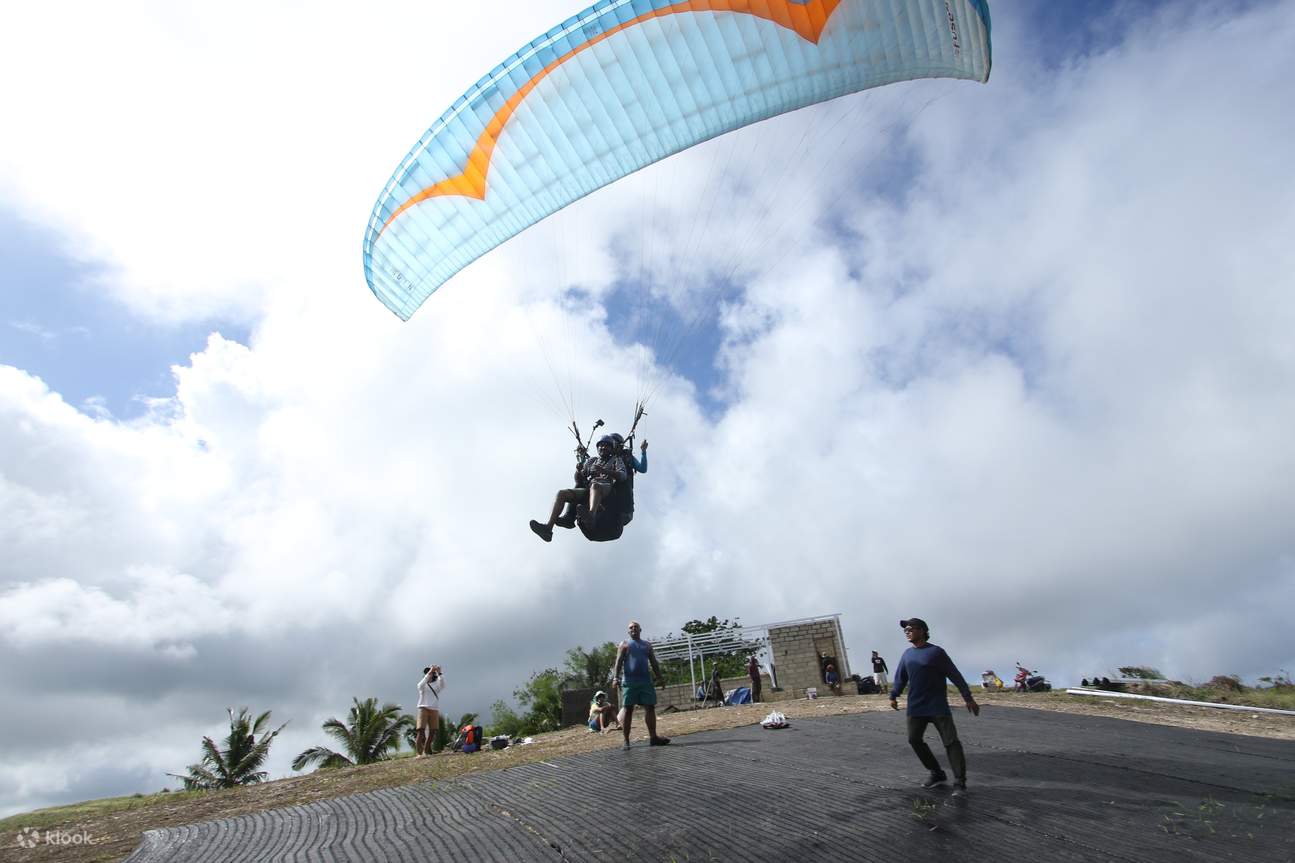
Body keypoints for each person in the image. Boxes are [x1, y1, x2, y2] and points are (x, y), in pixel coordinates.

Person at [889, 618, 979, 796]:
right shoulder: (907, 654)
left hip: (937, 706)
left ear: (922, 630)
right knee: (914, 740)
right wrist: (893, 695)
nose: (907, 632)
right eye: (905, 630)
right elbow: (901, 677)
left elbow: (955, 675)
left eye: (910, 628)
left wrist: (968, 697)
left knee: (951, 742)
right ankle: (937, 773)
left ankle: (960, 782)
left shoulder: (936, 652)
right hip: (916, 706)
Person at [530, 435, 627, 542]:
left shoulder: (616, 460)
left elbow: (622, 475)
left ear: (611, 449)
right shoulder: (592, 461)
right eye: (601, 446)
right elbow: (579, 479)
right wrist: (578, 471)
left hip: (606, 487)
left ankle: (591, 515)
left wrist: (604, 471)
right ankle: (548, 528)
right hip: (589, 489)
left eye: (606, 446)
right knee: (561, 493)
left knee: (596, 485)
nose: (603, 448)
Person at [612, 620, 670, 750]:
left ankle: (653, 737)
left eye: (636, 627)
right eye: (631, 627)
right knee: (628, 709)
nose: (633, 629)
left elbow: (654, 663)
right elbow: (618, 662)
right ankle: (626, 741)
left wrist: (660, 678)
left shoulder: (647, 645)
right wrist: (615, 678)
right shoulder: (624, 644)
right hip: (629, 683)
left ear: (640, 630)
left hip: (645, 682)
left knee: (650, 707)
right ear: (628, 631)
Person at [415, 664, 445, 757]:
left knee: (433, 731)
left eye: (431, 673)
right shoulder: (423, 685)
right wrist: (430, 672)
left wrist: (439, 672)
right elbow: (419, 685)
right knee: (421, 731)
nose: (429, 674)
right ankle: (419, 753)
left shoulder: (436, 685)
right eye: (427, 673)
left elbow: (443, 684)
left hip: (434, 709)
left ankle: (426, 750)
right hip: (423, 708)